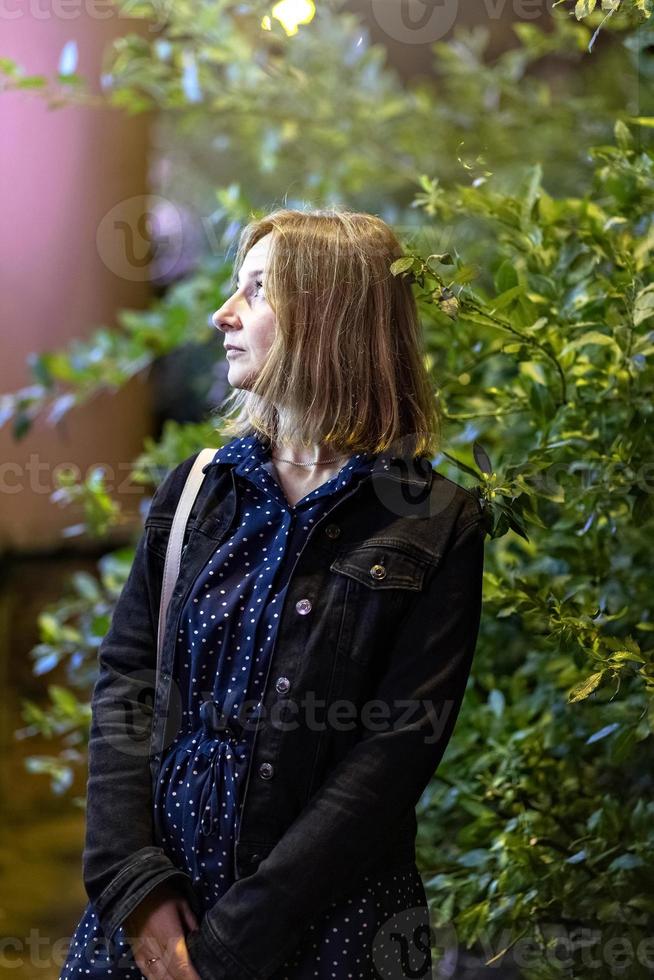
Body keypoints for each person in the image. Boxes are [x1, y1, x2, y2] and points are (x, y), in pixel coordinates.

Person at [60, 207, 486, 980]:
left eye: (256, 292)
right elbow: (125, 685)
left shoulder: (436, 521)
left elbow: (391, 759)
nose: (225, 314)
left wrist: (229, 948)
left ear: (331, 314)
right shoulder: (196, 489)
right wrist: (136, 890)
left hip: (330, 929)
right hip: (160, 907)